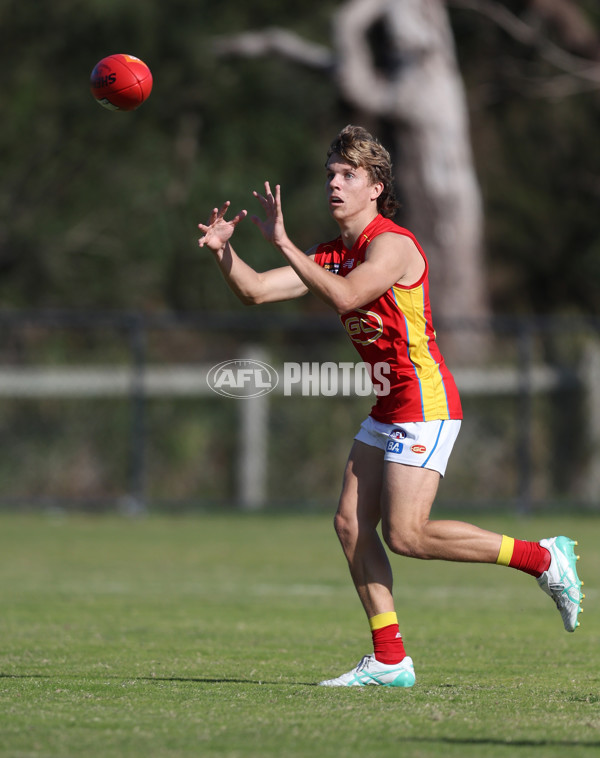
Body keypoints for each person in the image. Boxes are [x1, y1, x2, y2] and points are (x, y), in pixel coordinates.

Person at [198, 124, 584, 688]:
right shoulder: (334, 252)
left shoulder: (392, 244)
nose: (335, 183)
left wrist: (284, 243)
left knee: (407, 535)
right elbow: (256, 291)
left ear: (376, 186)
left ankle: (544, 558)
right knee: (352, 524)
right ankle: (389, 659)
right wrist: (224, 251)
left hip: (424, 399)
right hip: (389, 403)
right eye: (330, 173)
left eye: (348, 174)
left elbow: (350, 295)